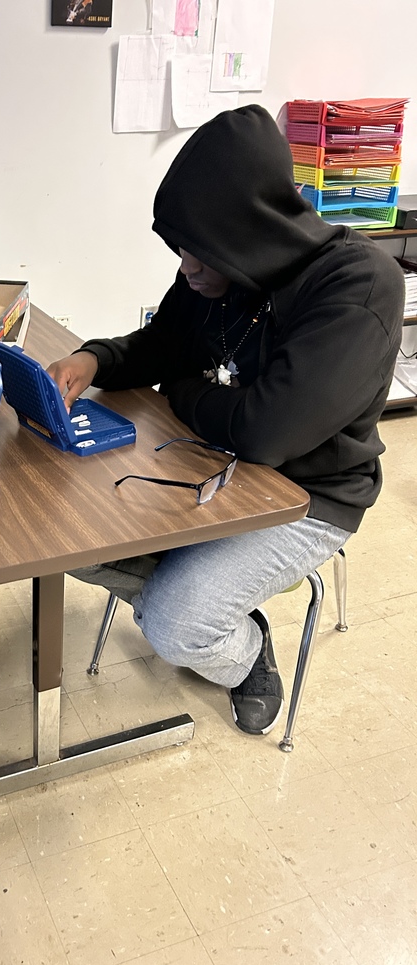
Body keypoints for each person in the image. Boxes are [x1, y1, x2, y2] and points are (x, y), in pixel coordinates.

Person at [48, 104, 403, 737]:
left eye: (200, 251)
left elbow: (269, 433)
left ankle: (243, 652)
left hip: (308, 496)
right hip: (210, 462)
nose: (186, 266)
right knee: (65, 534)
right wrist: (94, 357)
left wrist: (181, 390)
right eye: (181, 248)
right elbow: (162, 345)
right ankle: (200, 595)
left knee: (172, 626)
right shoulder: (217, 268)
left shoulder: (357, 284)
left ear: (251, 229)